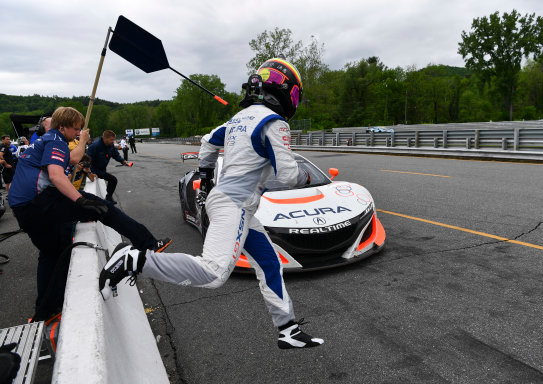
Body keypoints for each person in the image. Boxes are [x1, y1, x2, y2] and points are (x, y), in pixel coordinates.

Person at [99, 58, 323, 349]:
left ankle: (288, 329)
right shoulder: (274, 122)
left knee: (268, 262)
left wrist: (205, 174)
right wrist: (306, 176)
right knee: (213, 272)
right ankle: (133, 260)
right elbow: (290, 175)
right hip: (236, 204)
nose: (293, 102)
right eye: (294, 95)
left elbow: (207, 142)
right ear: (283, 90)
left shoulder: (236, 121)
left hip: (230, 201)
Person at [8, 107, 172, 321]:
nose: (78, 133)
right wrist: (81, 201)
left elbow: (73, 159)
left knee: (51, 253)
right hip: (39, 203)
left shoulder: (44, 140)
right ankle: (147, 243)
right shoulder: (55, 140)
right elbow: (57, 177)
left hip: (23, 210)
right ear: (62, 127)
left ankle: (46, 311)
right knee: (104, 209)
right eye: (76, 129)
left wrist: (83, 139)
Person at [86, 130, 131, 204]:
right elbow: (87, 161)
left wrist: (123, 161)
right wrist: (90, 172)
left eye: (114, 139)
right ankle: (108, 198)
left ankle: (108, 197)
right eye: (111, 139)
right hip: (95, 170)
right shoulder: (94, 146)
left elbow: (116, 155)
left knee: (112, 181)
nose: (113, 141)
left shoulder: (110, 146)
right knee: (113, 179)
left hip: (102, 169)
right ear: (105, 138)